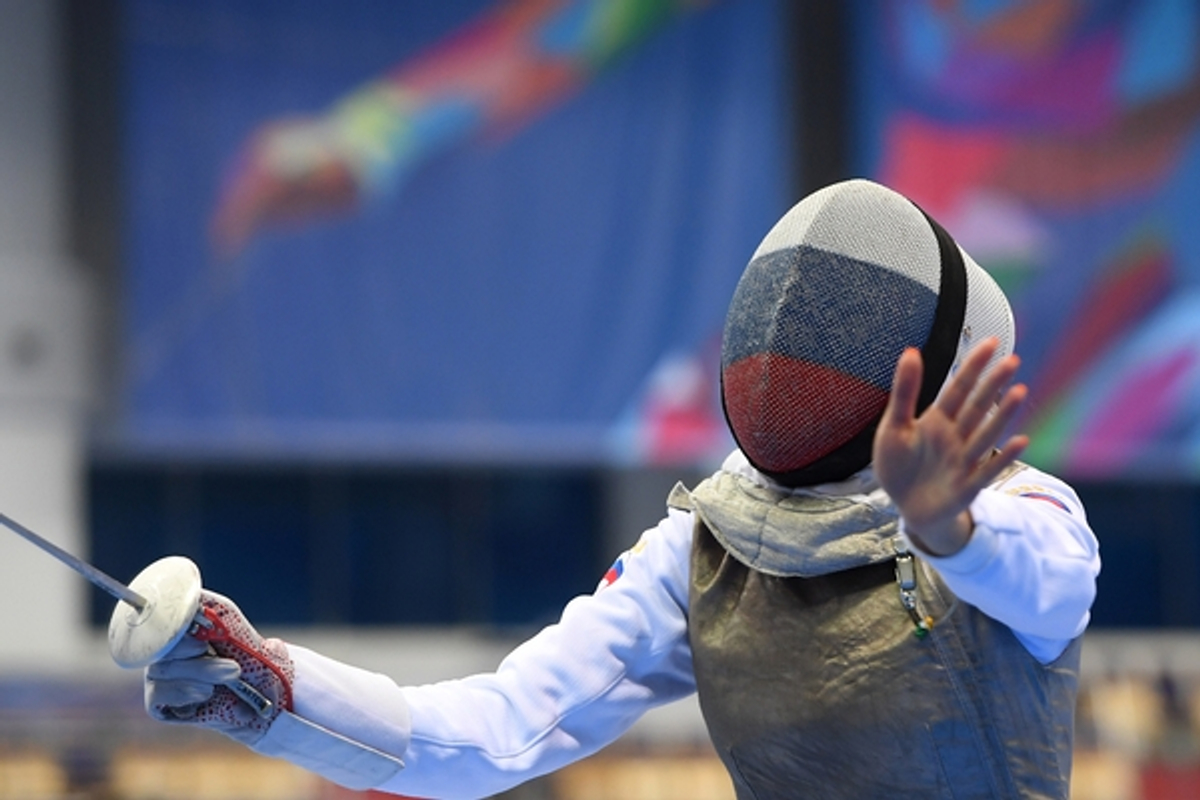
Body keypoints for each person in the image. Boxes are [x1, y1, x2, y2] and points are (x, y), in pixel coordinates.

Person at [144, 179, 1100, 799]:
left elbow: (1048, 589)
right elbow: (497, 732)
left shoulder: (1023, 512)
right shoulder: (703, 549)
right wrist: (275, 690)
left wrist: (946, 527)